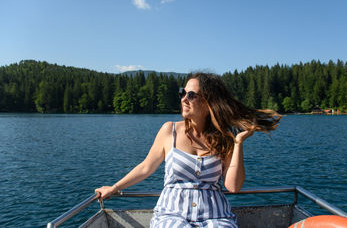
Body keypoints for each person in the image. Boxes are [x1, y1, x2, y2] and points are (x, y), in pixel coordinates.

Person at [95, 72, 281, 227]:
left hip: (215, 218)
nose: (184, 99)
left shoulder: (224, 137)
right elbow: (146, 167)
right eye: (182, 93)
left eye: (191, 95)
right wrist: (115, 188)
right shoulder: (170, 130)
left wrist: (239, 142)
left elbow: (233, 186)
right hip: (172, 216)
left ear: (209, 103)